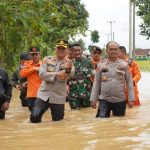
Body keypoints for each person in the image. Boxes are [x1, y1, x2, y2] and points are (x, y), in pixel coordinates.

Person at [30, 40, 74, 123]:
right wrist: (57, 73)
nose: (61, 50)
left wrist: (69, 69)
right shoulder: (46, 60)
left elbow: (70, 75)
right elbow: (41, 75)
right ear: (55, 49)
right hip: (43, 95)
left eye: (63, 48)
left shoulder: (69, 64)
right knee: (34, 118)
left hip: (58, 97)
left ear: (67, 50)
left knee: (58, 123)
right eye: (59, 48)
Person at [90, 41, 135, 118]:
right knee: (101, 122)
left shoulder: (124, 65)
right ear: (106, 51)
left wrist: (131, 99)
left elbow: (129, 83)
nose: (113, 51)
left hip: (120, 100)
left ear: (118, 51)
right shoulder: (101, 65)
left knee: (119, 123)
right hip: (104, 99)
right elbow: (96, 83)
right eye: (111, 49)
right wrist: (93, 99)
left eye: (115, 49)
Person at [67, 44, 94, 110]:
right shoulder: (69, 63)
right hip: (73, 94)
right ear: (72, 52)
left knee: (87, 113)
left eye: (79, 50)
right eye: (75, 51)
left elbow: (93, 76)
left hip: (86, 93)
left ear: (82, 51)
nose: (77, 52)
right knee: (74, 115)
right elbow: (66, 77)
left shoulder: (89, 62)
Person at [20, 47, 42, 111]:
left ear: (39, 54)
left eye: (36, 54)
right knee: (33, 117)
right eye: (32, 54)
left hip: (42, 95)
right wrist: (33, 69)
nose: (34, 56)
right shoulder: (27, 64)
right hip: (31, 95)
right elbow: (22, 74)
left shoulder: (44, 64)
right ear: (30, 55)